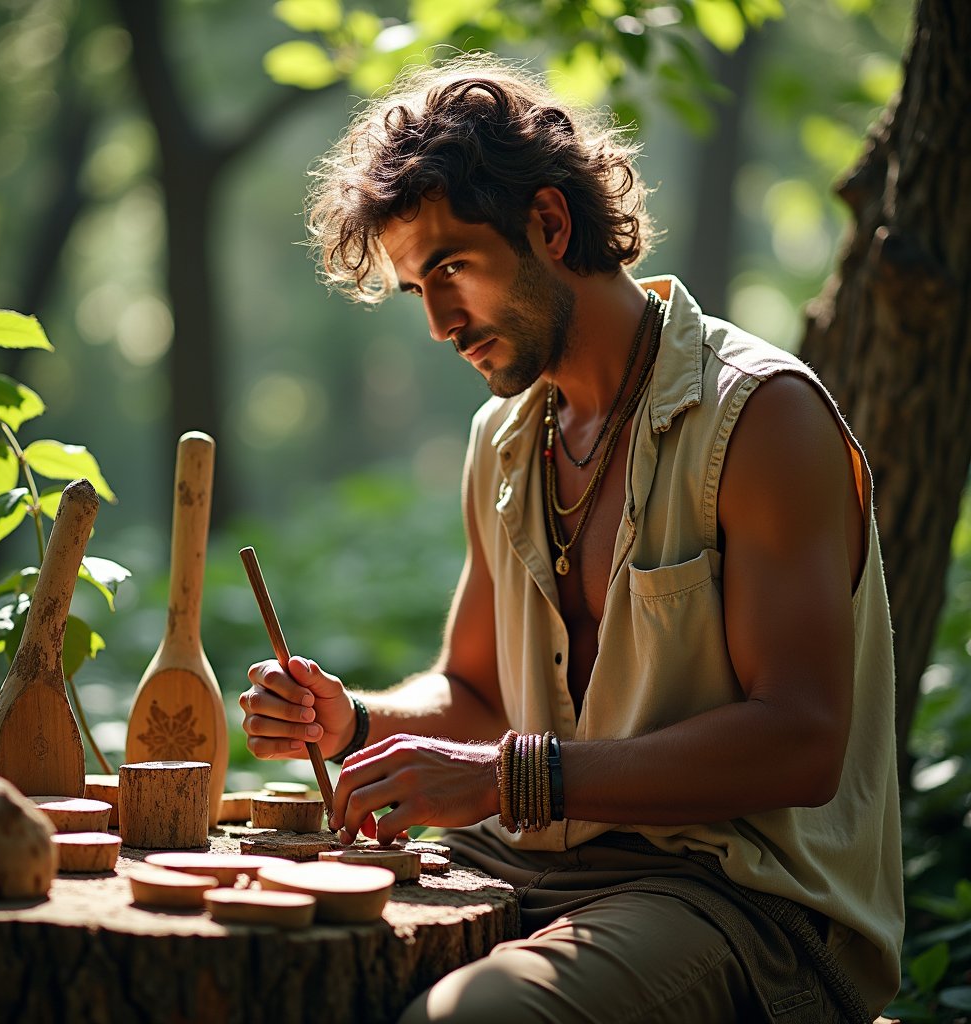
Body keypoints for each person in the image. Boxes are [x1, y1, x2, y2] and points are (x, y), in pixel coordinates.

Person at [240, 55, 903, 1023]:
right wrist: (356, 724)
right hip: (535, 867)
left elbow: (799, 739)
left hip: (744, 903)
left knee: (478, 1017)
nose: (435, 323)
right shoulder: (504, 439)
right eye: (416, 289)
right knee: (271, 947)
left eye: (451, 270)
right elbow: (474, 694)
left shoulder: (759, 416)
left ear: (549, 225)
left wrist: (511, 776)